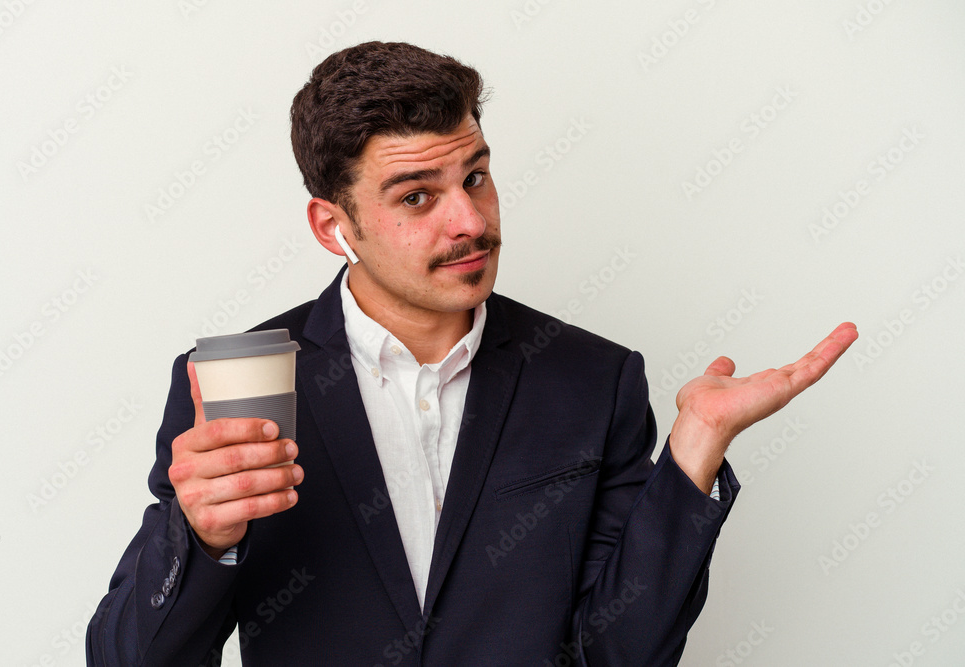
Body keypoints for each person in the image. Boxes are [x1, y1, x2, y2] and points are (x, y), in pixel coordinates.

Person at [87, 41, 857, 666]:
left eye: (476, 177)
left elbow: (617, 651)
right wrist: (198, 535)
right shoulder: (239, 381)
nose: (470, 220)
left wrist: (693, 454)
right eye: (417, 195)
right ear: (333, 226)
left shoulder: (594, 379)